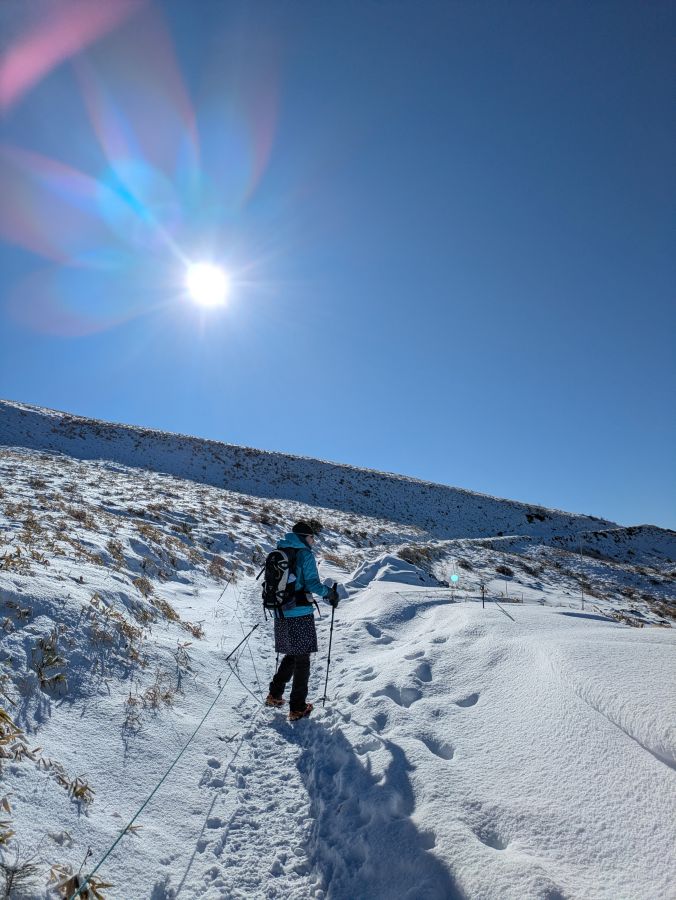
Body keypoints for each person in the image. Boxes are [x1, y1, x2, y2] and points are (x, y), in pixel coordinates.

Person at [265, 521, 340, 721]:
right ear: (303, 537)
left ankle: (274, 695)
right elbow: (312, 583)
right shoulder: (305, 554)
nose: (313, 541)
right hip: (299, 612)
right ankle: (297, 708)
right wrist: (330, 593)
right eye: (311, 537)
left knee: (293, 654)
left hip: (280, 610)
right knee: (302, 659)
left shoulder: (281, 550)